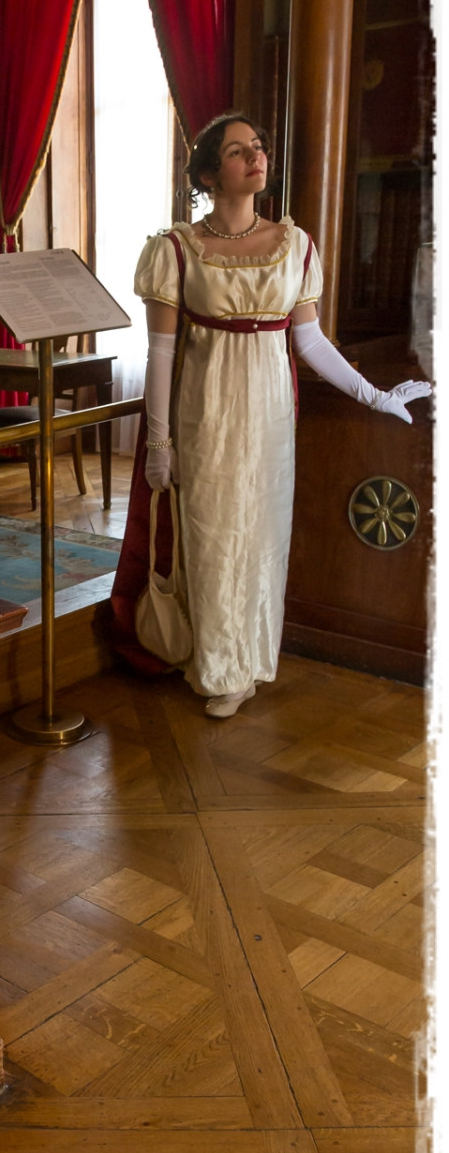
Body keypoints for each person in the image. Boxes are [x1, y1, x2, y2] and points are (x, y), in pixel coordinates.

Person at [120, 112, 430, 718]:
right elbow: (160, 354)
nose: (256, 157)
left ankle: (252, 660)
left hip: (269, 419)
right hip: (204, 415)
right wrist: (158, 442)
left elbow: (310, 342)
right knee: (212, 540)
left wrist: (375, 395)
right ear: (209, 174)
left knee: (261, 541)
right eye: (238, 151)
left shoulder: (296, 246)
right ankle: (218, 668)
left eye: (258, 147)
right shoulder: (175, 250)